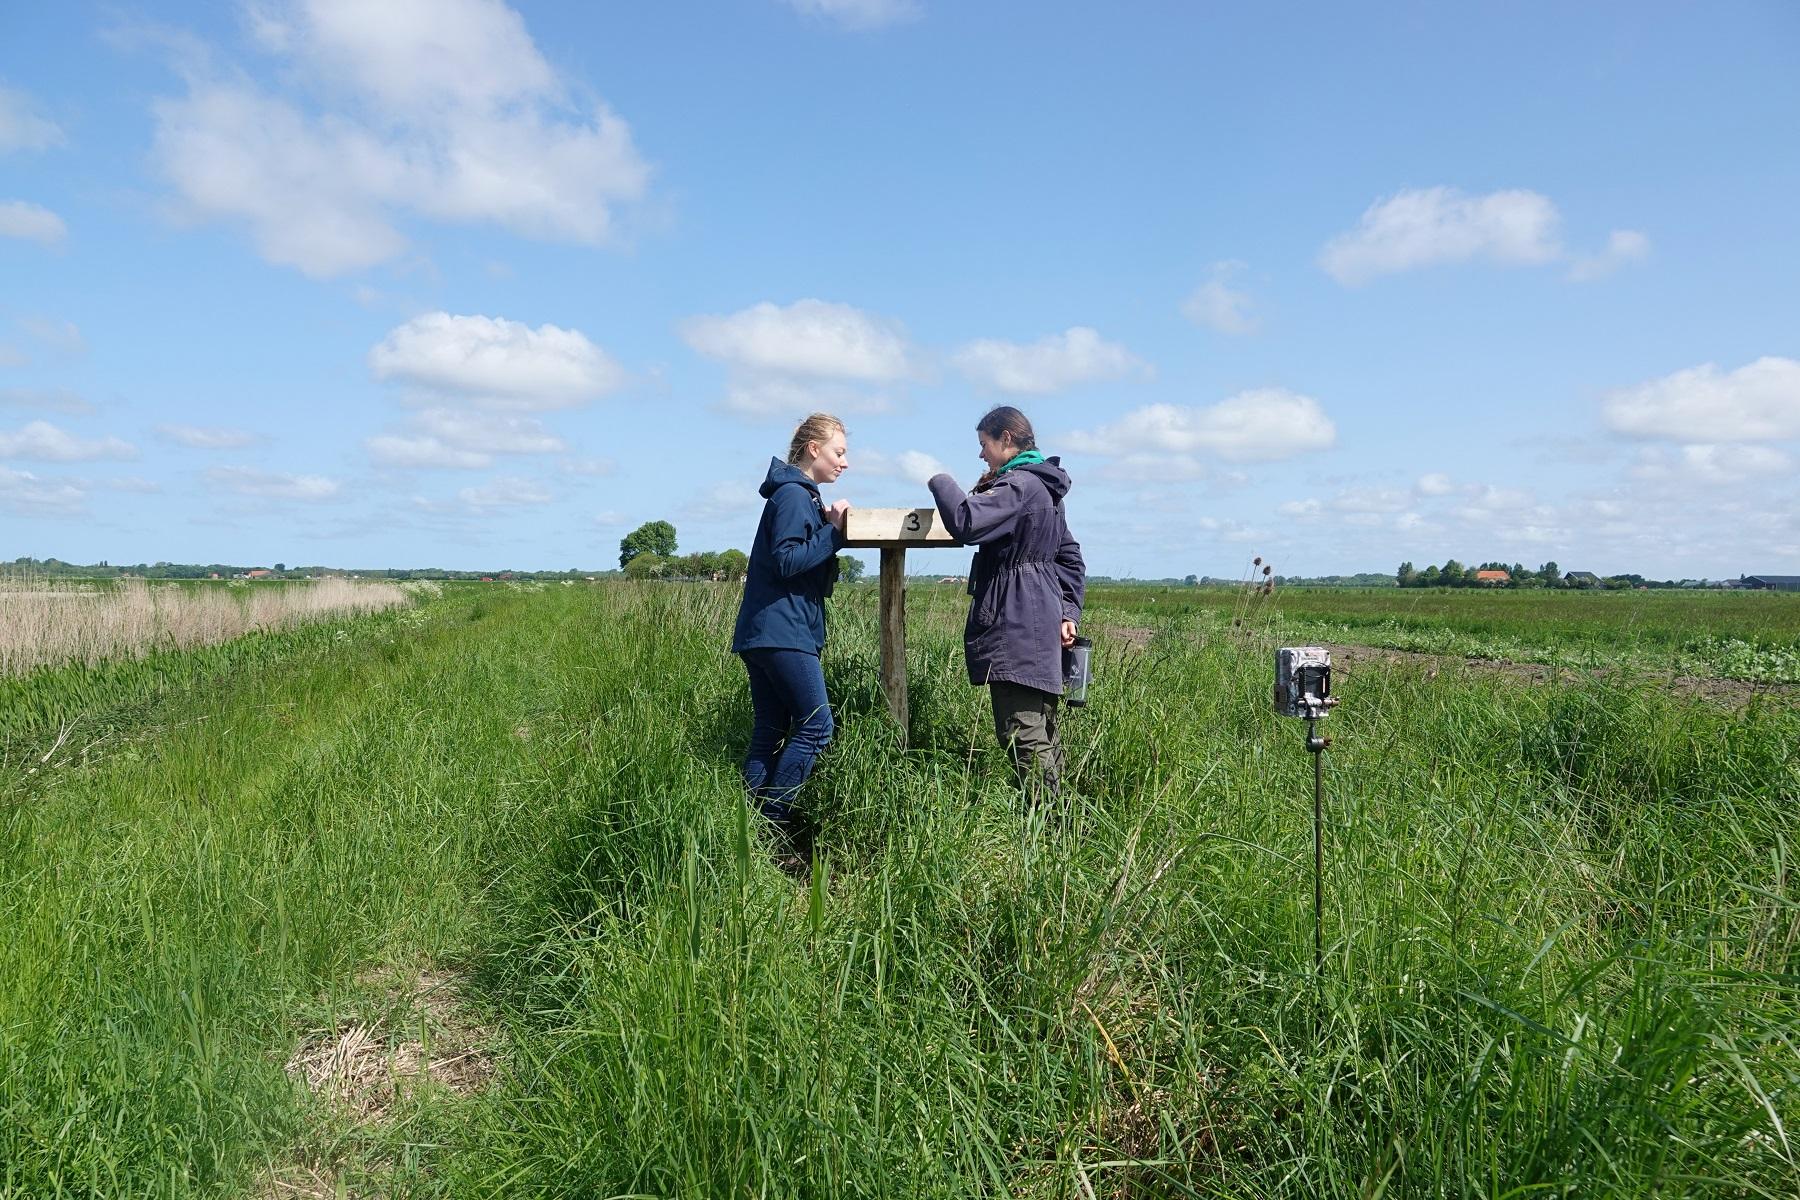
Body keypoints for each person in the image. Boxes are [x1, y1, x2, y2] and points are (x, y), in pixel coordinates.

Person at [927, 406, 1085, 802]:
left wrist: (939, 480)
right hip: (1042, 620)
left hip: (1015, 620)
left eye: (985, 445)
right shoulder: (1047, 490)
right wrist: (1068, 612)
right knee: (1042, 728)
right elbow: (1070, 559)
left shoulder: (1020, 485)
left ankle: (1048, 830)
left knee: (1023, 730)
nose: (982, 455)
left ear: (1007, 440)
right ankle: (1059, 829)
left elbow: (966, 522)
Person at [731, 412, 852, 866]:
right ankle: (774, 826)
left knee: (770, 728)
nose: (845, 463)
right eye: (839, 452)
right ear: (813, 449)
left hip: (762, 632)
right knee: (818, 726)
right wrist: (835, 533)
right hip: (785, 632)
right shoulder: (794, 496)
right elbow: (786, 561)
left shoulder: (794, 496)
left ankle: (751, 832)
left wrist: (824, 527)